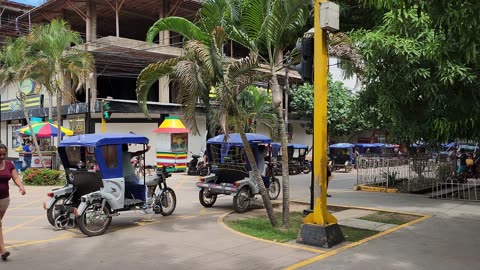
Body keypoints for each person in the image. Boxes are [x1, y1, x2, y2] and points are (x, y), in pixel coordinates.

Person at [0, 143, 27, 260]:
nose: (2, 156)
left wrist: (21, 186)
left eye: (4, 154)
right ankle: (2, 250)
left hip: (4, 199)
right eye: (0, 154)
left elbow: (15, 177)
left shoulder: (9, 164)